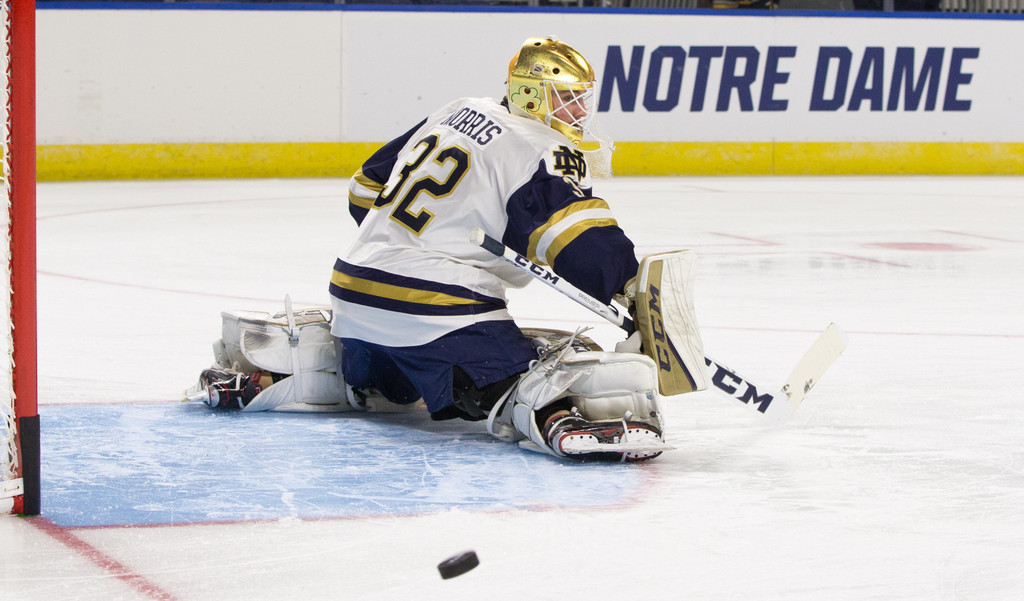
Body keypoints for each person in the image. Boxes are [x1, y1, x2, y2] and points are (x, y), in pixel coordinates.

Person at [190, 36, 706, 462]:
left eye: (581, 98)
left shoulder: (459, 110)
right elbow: (579, 241)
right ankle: (555, 411)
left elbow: (363, 189)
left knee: (387, 390)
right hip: (435, 308)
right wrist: (628, 285)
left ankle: (288, 374)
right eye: (565, 97)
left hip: (352, 289)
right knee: (513, 375)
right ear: (530, 95)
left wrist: (418, 232)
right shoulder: (537, 148)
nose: (577, 110)